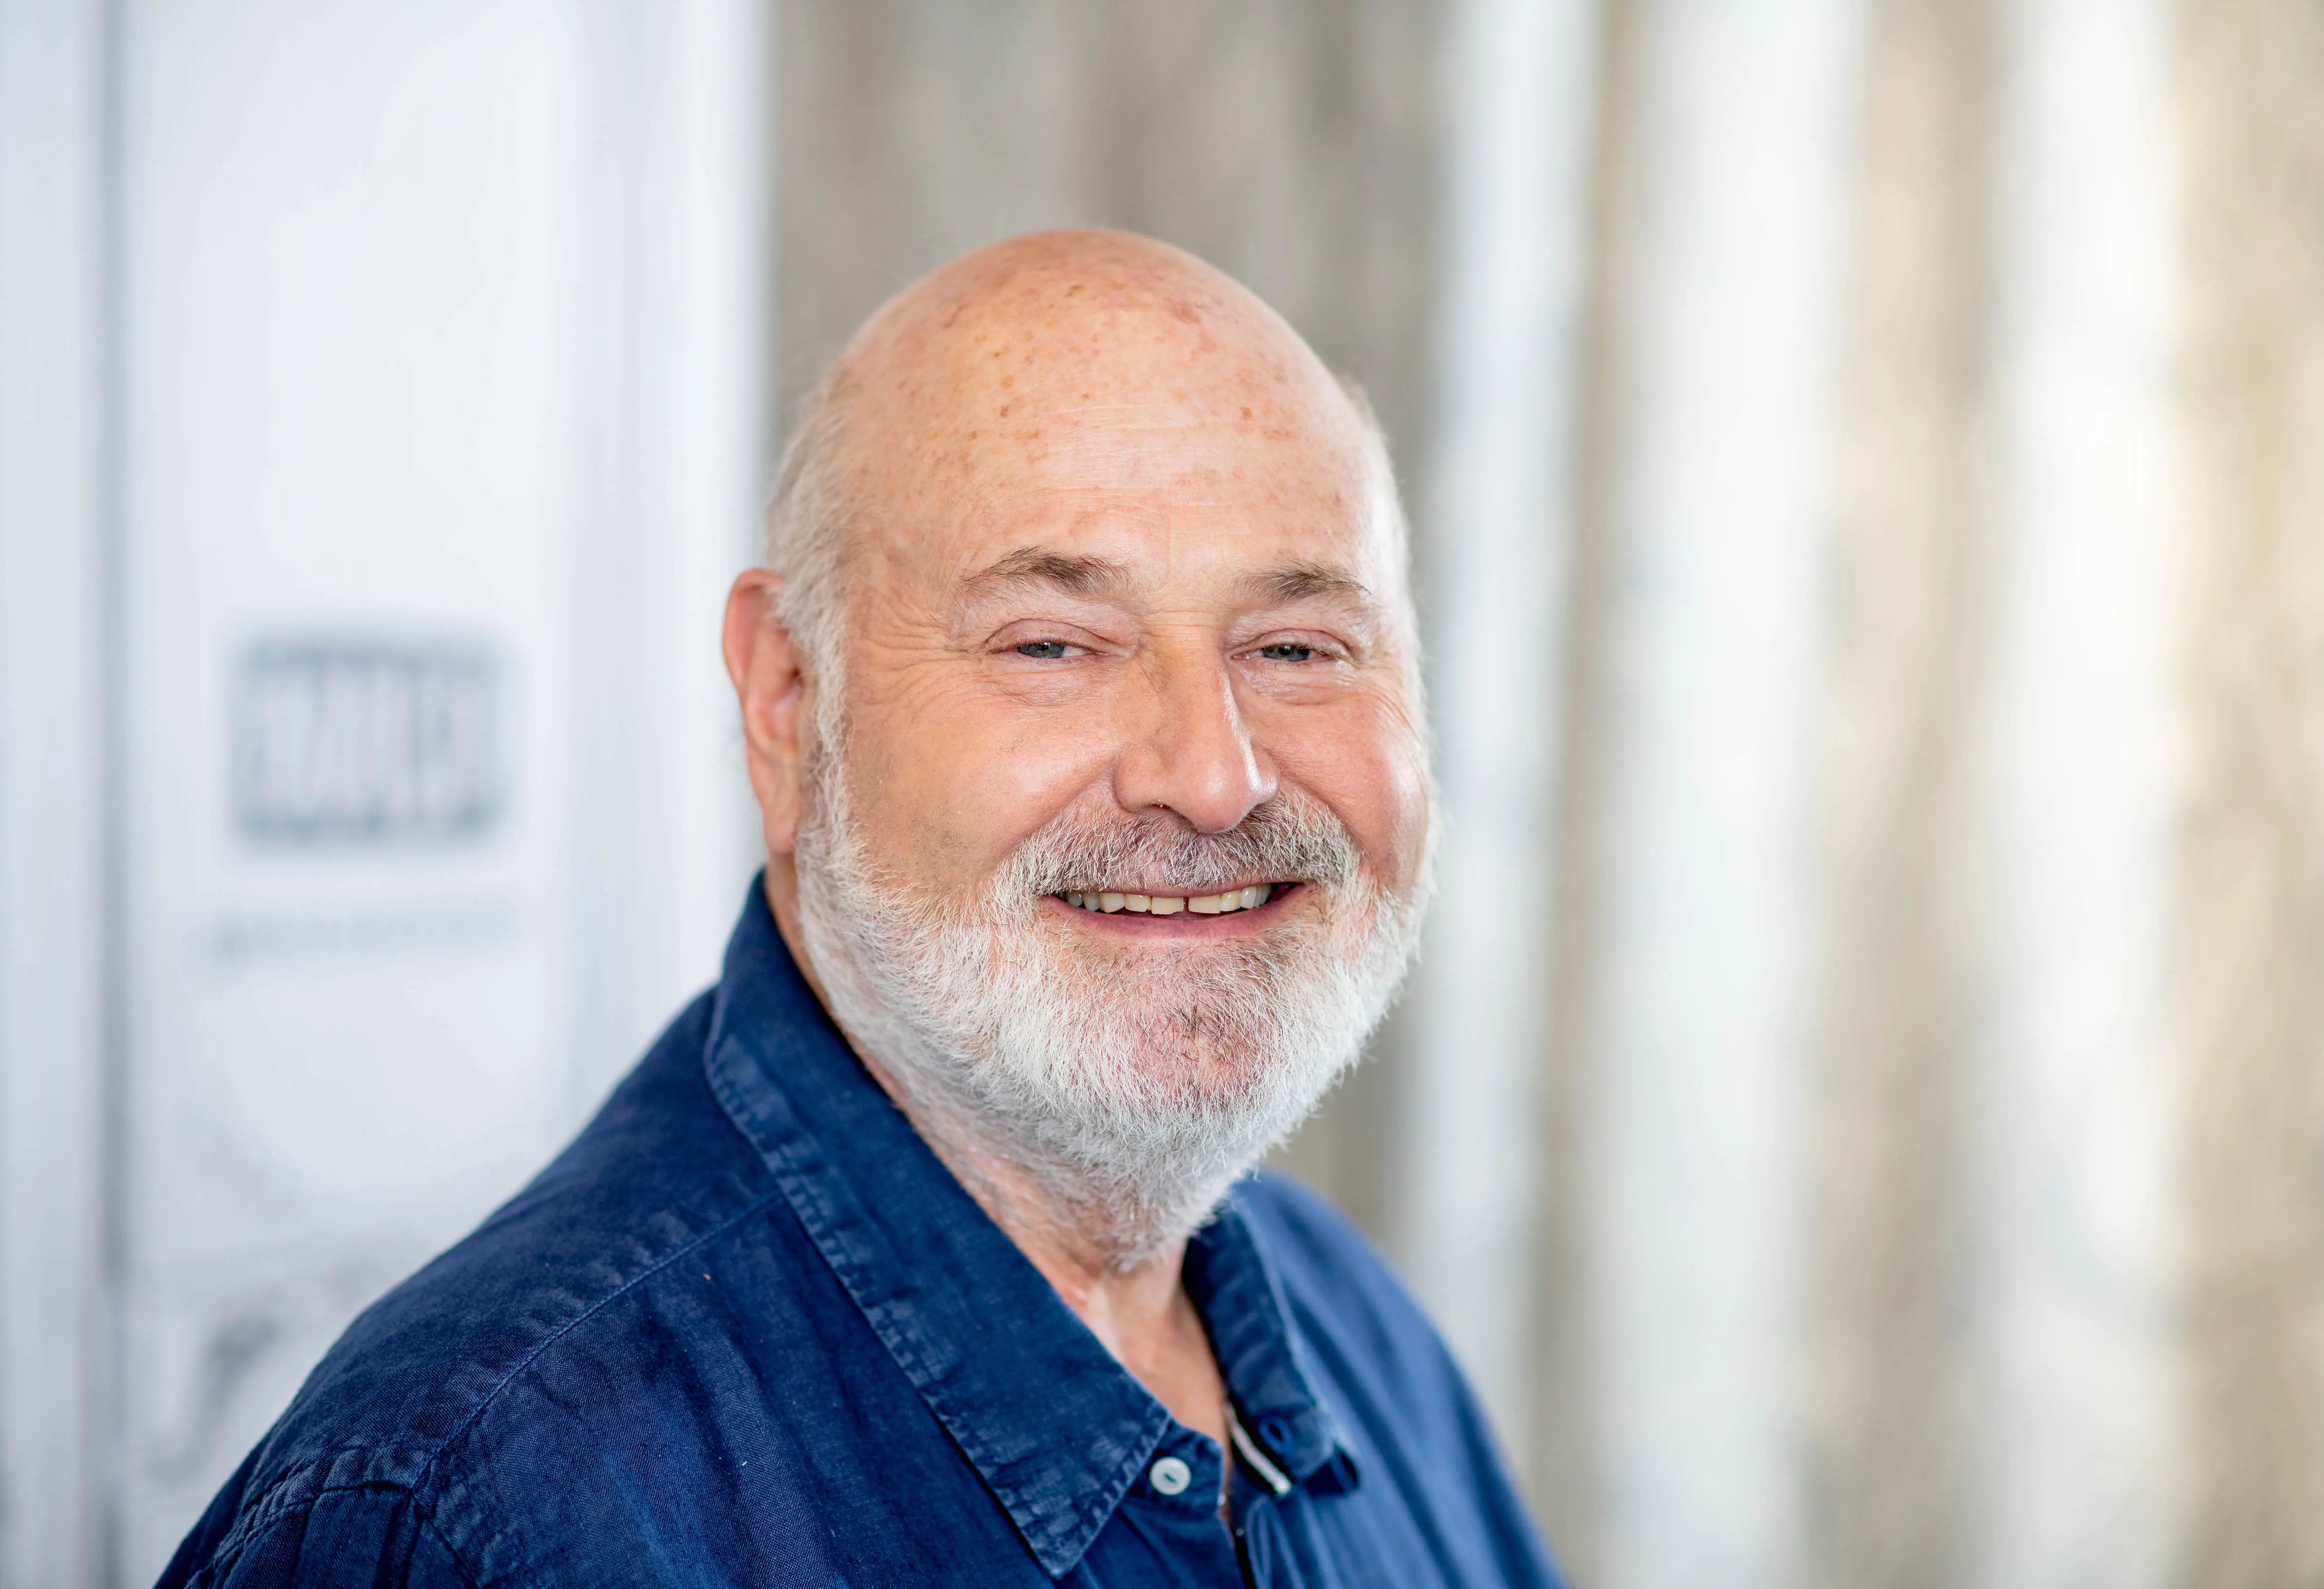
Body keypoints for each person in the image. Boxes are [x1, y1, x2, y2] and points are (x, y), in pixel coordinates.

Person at [162, 230, 1561, 1587]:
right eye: (1053, 644)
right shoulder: (474, 1513)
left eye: (1300, 646)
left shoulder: (1356, 1332)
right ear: (789, 703)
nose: (1212, 775)